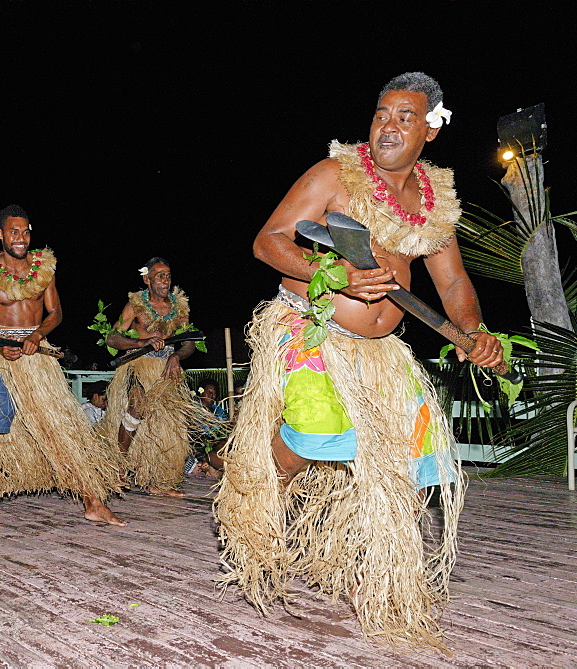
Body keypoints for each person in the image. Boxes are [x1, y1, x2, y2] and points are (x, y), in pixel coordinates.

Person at [213, 73, 504, 649]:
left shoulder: (434, 204)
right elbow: (269, 240)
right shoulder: (334, 177)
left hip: (381, 349)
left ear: (432, 128)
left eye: (405, 116)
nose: (388, 125)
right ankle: (250, 498)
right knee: (316, 434)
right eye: (381, 113)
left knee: (421, 453)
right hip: (312, 328)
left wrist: (473, 332)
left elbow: (452, 284)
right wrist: (334, 272)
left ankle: (379, 556)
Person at [0, 205, 125, 525]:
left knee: (62, 430)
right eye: (14, 232)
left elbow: (55, 313)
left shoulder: (44, 270)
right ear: (0, 234)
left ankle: (92, 502)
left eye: (26, 231)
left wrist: (38, 334)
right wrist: (0, 346)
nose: (22, 238)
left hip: (36, 356)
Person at [99, 258, 220, 496]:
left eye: (168, 275)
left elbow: (189, 343)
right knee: (138, 407)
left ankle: (160, 481)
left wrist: (176, 357)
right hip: (138, 364)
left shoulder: (180, 307)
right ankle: (118, 466)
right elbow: (112, 338)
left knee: (170, 425)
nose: (165, 280)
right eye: (159, 275)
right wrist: (141, 342)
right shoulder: (134, 305)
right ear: (147, 279)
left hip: (167, 368)